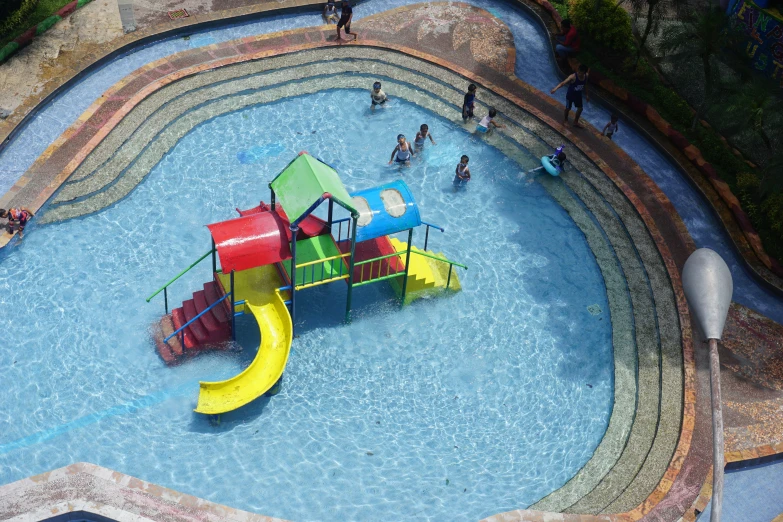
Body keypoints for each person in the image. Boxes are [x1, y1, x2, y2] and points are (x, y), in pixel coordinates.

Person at [550, 64, 589, 128]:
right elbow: (563, 83)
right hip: (570, 95)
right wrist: (555, 88)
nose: (579, 74)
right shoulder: (573, 76)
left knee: (580, 109)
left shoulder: (586, 76)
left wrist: (587, 95)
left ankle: (575, 122)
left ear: (584, 73)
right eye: (578, 72)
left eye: (581, 73)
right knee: (568, 108)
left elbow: (586, 85)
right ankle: (565, 120)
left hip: (578, 96)